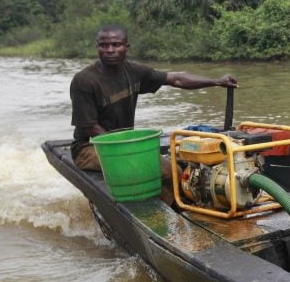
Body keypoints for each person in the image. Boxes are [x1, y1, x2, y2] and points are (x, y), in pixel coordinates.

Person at [70, 25, 238, 174]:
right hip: (90, 147)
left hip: (125, 142)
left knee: (173, 170)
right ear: (97, 47)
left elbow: (176, 79)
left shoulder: (134, 71)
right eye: (104, 45)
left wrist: (217, 81)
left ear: (126, 47)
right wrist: (125, 149)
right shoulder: (84, 80)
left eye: (116, 45)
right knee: (139, 167)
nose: (110, 50)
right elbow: (91, 127)